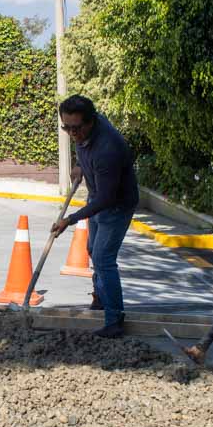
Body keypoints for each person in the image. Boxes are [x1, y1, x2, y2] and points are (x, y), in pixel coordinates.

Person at [51, 95, 139, 339]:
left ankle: (115, 319)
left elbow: (106, 199)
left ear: (91, 122)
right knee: (92, 249)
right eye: (66, 127)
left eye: (76, 128)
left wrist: (70, 219)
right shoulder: (82, 132)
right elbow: (82, 149)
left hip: (116, 204)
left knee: (103, 258)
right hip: (98, 197)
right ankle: (101, 297)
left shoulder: (107, 148)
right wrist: (80, 166)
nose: (71, 133)